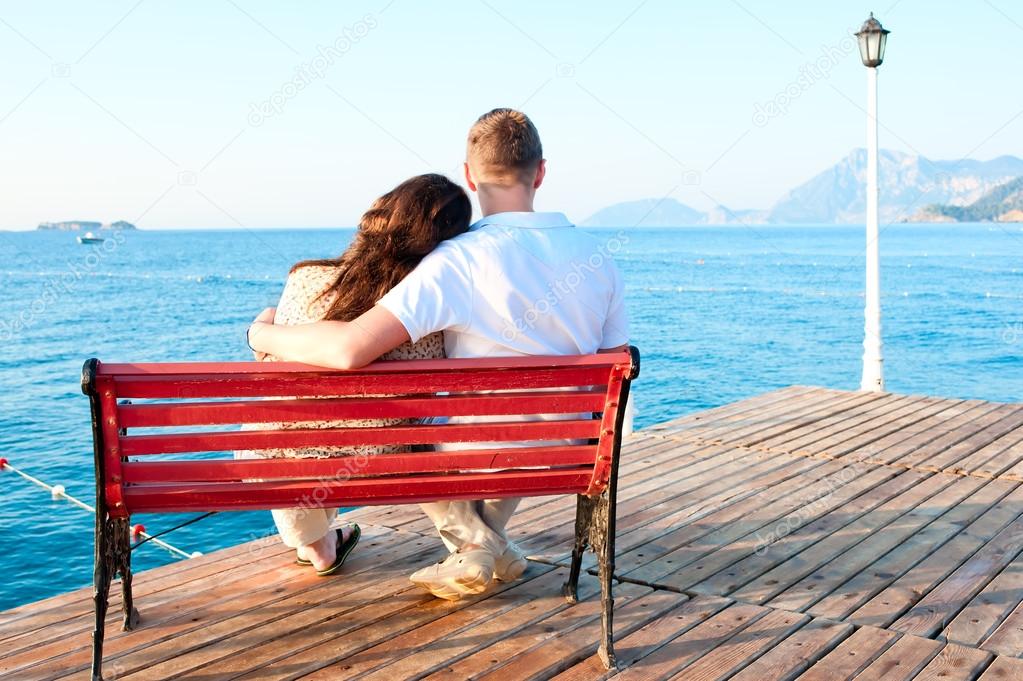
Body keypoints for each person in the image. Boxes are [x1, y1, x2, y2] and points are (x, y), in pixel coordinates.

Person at [248, 108, 629, 599]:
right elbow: (615, 366)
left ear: (469, 175)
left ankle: (479, 547)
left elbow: (350, 349)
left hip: (479, 454)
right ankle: (485, 547)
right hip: (573, 452)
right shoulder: (599, 258)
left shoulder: (459, 259)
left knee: (412, 422)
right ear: (540, 173)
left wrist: (261, 335)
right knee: (500, 421)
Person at [244, 173, 472, 576]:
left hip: (278, 456)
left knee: (281, 425)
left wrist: (261, 330)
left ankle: (317, 546)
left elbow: (274, 358)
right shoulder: (424, 304)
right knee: (418, 426)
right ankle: (473, 541)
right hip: (384, 459)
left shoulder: (303, 277)